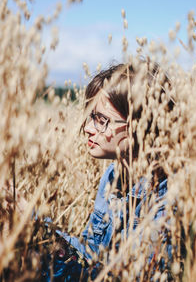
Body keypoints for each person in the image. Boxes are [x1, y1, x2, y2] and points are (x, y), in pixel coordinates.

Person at [41, 58, 174, 281]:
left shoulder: (167, 197)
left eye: (100, 119)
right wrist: (37, 225)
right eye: (89, 116)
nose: (87, 128)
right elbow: (90, 251)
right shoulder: (113, 175)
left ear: (137, 126)